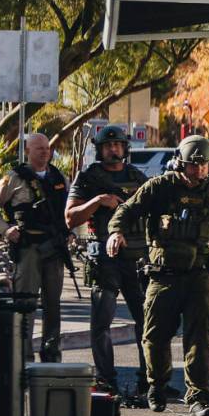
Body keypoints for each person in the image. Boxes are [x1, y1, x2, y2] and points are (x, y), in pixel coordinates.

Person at [107, 135, 209, 416]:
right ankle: (156, 387)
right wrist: (116, 232)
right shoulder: (160, 187)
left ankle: (198, 396)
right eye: (192, 166)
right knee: (155, 336)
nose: (197, 172)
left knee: (200, 338)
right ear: (180, 163)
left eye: (203, 166)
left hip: (201, 277)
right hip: (164, 276)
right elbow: (127, 209)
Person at [64, 125, 149, 394]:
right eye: (108, 146)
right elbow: (70, 217)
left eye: (118, 145)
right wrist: (98, 201)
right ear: (100, 149)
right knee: (101, 323)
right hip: (105, 258)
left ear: (125, 148)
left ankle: (149, 380)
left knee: (146, 323)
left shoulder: (137, 177)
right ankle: (105, 380)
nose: (113, 149)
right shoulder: (89, 178)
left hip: (136, 258)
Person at [0, 133, 69, 362]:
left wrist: (69, 235)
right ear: (28, 151)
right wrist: (6, 229)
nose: (44, 152)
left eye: (47, 148)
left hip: (54, 249)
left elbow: (68, 211)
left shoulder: (58, 177)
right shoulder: (14, 177)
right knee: (26, 303)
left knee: (53, 305)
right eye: (39, 148)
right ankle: (24, 356)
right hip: (28, 248)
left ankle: (51, 354)